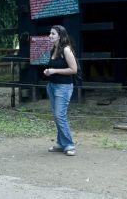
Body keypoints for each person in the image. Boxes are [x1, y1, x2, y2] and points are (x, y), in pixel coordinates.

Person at [43, 25, 78, 156]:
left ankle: (69, 145)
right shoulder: (53, 49)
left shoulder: (66, 50)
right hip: (52, 86)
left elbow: (73, 70)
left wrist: (55, 71)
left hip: (63, 88)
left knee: (59, 116)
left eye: (52, 34)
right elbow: (53, 67)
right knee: (57, 116)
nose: (50, 36)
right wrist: (48, 71)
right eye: (50, 33)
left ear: (60, 36)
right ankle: (60, 143)